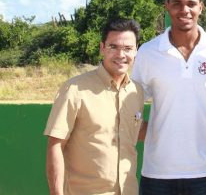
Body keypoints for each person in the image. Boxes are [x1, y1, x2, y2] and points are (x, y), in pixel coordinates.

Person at [132, 0, 206, 195]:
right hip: (157, 173)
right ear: (167, 6)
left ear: (201, 7)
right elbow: (132, 104)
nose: (184, 10)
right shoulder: (148, 51)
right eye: (177, 3)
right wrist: (151, 131)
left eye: (191, 4)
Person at [44, 18, 144, 195]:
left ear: (136, 50)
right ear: (102, 48)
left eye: (128, 48)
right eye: (113, 47)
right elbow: (55, 145)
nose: (121, 55)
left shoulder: (136, 92)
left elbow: (131, 134)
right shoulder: (75, 89)